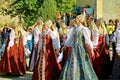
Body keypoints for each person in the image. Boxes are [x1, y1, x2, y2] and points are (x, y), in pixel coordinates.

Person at [59, 14, 98, 80]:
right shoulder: (74, 28)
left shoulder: (84, 29)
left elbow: (88, 40)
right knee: (72, 62)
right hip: (74, 49)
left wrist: (91, 49)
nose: (75, 20)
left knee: (82, 63)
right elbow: (70, 39)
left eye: (76, 19)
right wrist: (65, 46)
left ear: (80, 20)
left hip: (81, 49)